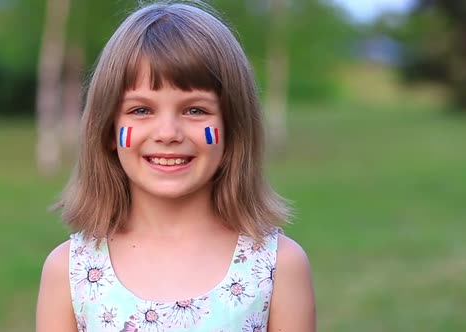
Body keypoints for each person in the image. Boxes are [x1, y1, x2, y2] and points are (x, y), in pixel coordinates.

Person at [36, 1, 315, 331]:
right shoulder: (70, 272)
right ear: (108, 129)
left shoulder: (277, 267)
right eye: (141, 110)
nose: (168, 133)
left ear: (233, 128)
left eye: (195, 110)